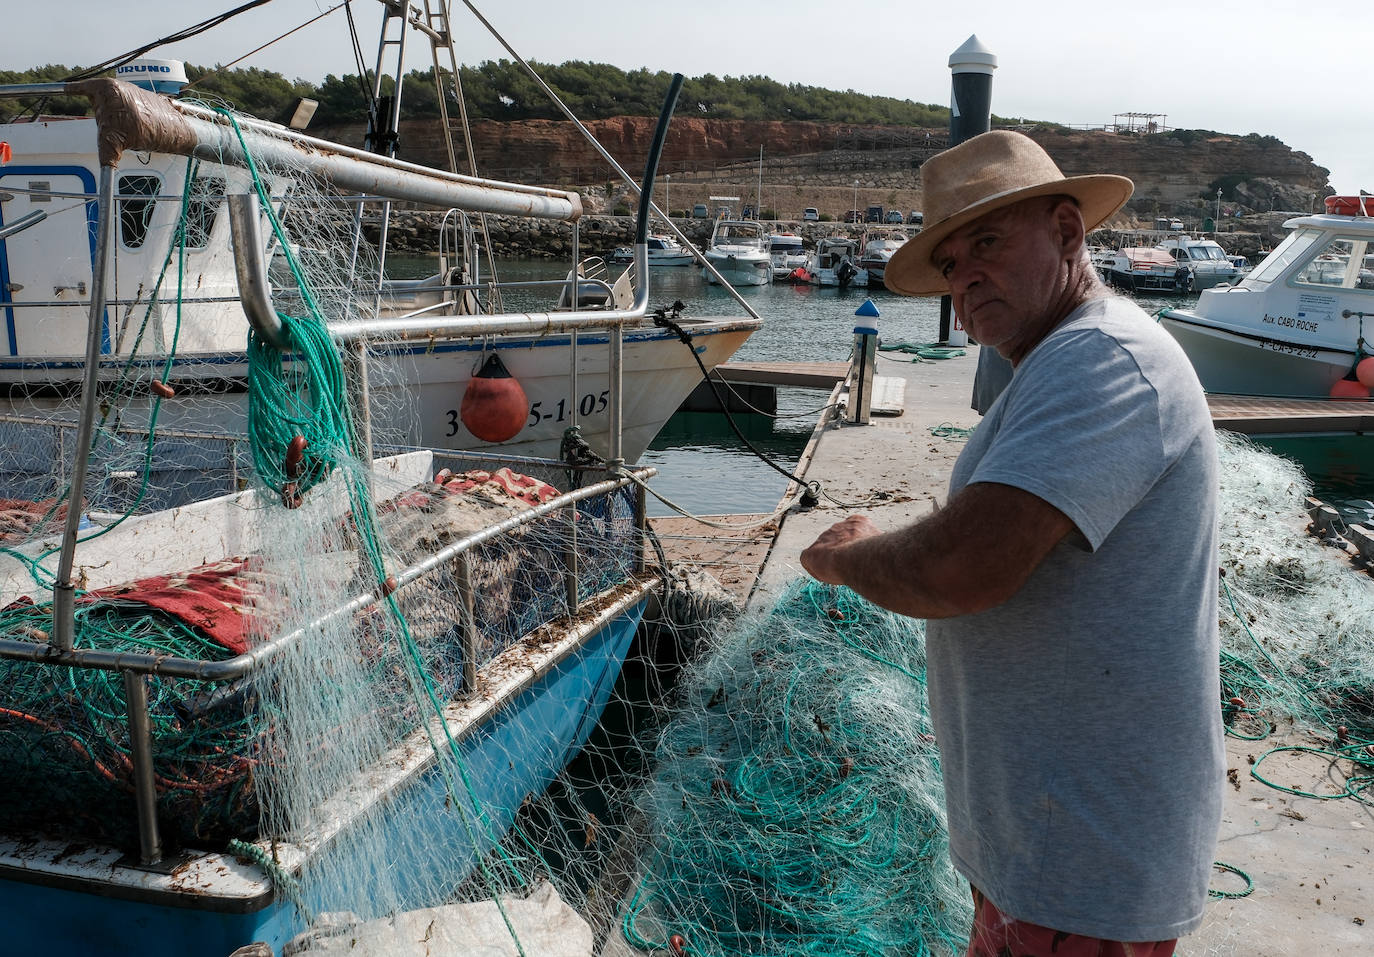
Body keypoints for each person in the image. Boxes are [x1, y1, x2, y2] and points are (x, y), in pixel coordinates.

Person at [801, 130, 1223, 956]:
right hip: (1044, 844)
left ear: (1068, 232)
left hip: (1082, 857)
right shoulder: (1061, 359)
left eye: (986, 242)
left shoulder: (1102, 357)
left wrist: (847, 559)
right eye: (951, 263)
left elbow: (964, 566)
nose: (966, 278)